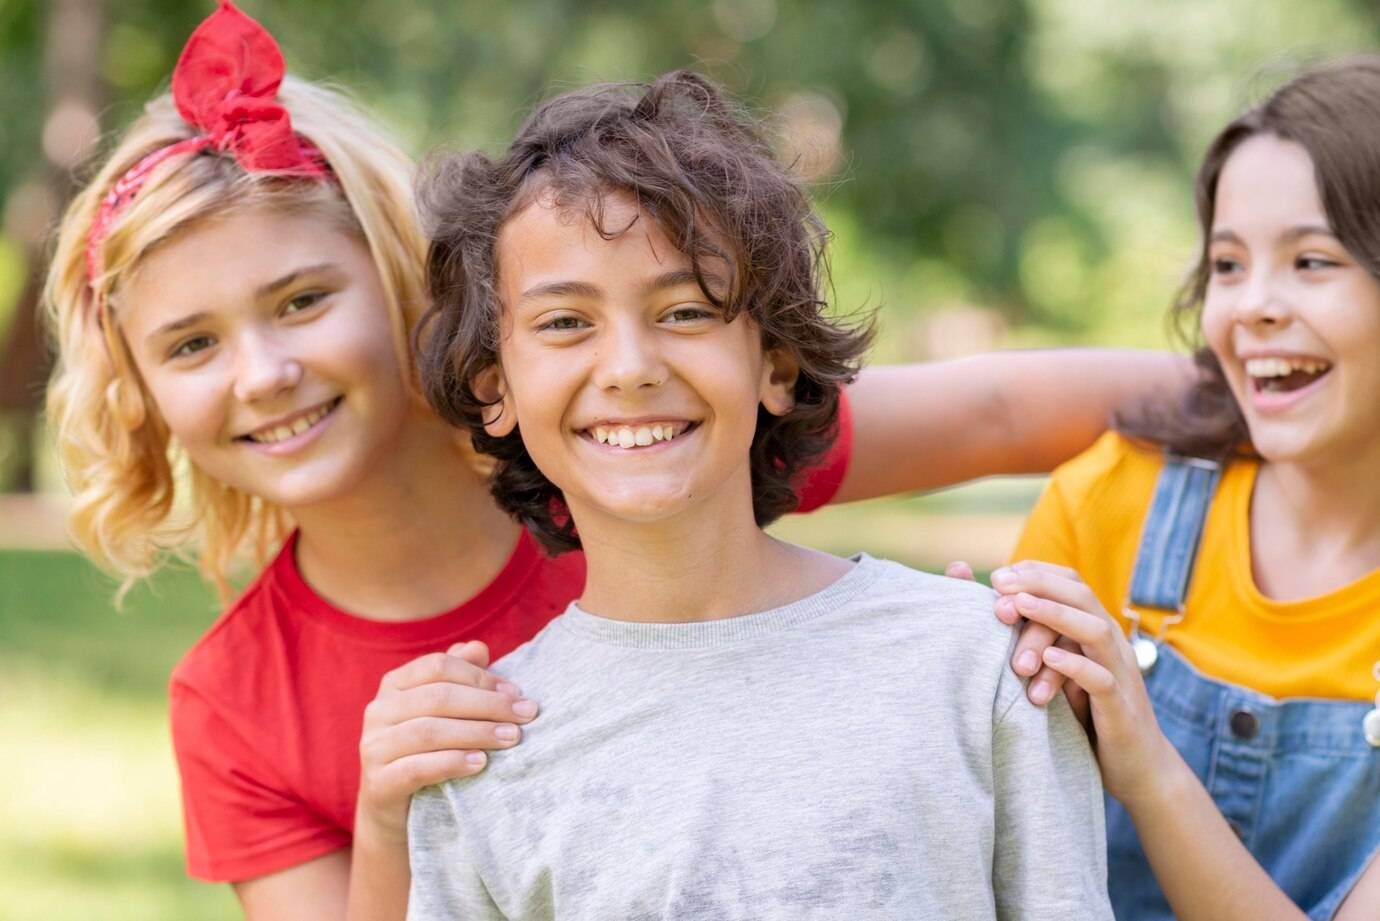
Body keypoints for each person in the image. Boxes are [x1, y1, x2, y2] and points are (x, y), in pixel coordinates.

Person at [45, 3, 1182, 919]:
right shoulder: (239, 704)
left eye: (302, 301)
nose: (263, 372)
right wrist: (390, 818)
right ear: (136, 390)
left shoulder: (642, 453)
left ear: (402, 285)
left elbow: (994, 411)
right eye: (192, 345)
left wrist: (1274, 396)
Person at [404, 69, 1113, 921]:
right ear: (497, 389)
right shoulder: (486, 752)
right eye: (565, 323)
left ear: (774, 363)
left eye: (687, 311)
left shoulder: (974, 664)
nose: (630, 367)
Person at [987, 56, 1380, 920]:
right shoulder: (1110, 501)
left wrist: (1148, 764)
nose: (1255, 307)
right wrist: (966, 683)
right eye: (1229, 266)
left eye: (1312, 261)